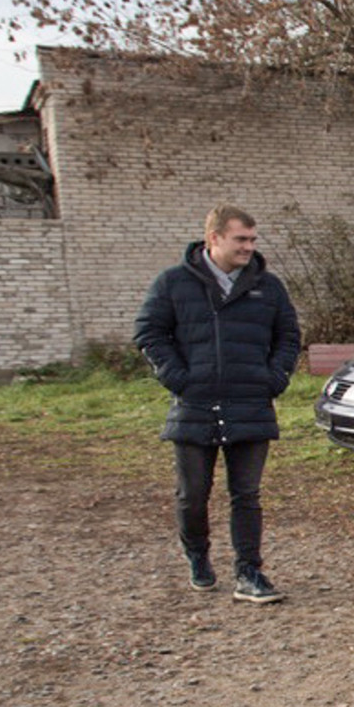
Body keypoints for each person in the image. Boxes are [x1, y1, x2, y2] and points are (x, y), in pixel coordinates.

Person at [134, 204, 302, 603]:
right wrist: (178, 378)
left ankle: (250, 573)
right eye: (240, 239)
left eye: (252, 239)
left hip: (251, 404)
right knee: (192, 494)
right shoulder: (173, 283)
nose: (249, 247)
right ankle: (198, 557)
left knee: (246, 494)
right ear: (214, 239)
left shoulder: (269, 286)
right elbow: (149, 332)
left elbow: (289, 337)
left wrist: (273, 378)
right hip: (195, 405)